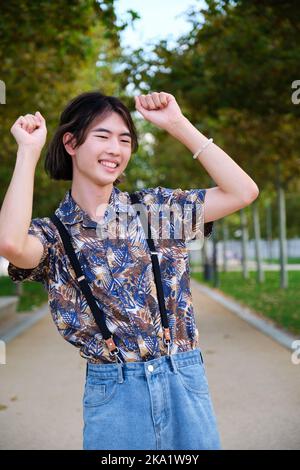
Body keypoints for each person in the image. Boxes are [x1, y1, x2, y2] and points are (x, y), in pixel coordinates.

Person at [0, 91, 259, 450]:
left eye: (125, 140)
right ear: (71, 143)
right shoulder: (53, 236)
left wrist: (177, 124)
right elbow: (11, 244)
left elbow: (243, 191)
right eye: (103, 136)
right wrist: (28, 152)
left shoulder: (157, 210)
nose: (116, 149)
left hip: (183, 377)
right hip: (115, 393)